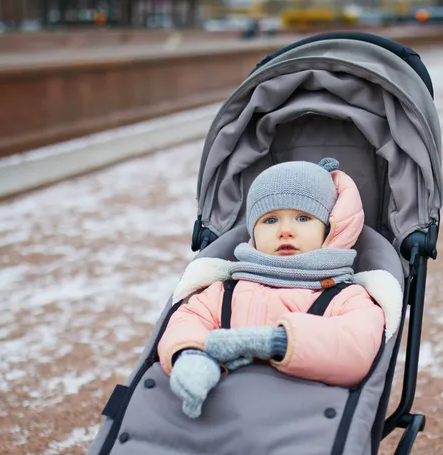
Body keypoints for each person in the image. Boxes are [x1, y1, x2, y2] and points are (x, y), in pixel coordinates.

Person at [158, 158, 387, 418]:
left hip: (299, 421)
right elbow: (187, 321)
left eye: (303, 218)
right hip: (222, 415)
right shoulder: (226, 291)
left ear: (330, 230)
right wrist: (191, 355)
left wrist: (276, 342)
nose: (285, 231)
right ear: (252, 233)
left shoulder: (345, 296)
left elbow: (356, 346)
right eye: (270, 220)